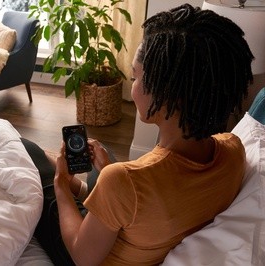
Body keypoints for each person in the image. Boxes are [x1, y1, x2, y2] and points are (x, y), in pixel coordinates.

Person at [27, 3, 254, 265]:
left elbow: (82, 257)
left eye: (135, 77)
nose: (132, 86)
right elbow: (143, 195)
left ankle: (61, 178)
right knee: (105, 158)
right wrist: (110, 174)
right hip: (137, 218)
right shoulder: (234, 150)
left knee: (30, 151)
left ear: (164, 93)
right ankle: (79, 181)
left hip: (92, 252)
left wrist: (60, 185)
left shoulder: (123, 181)